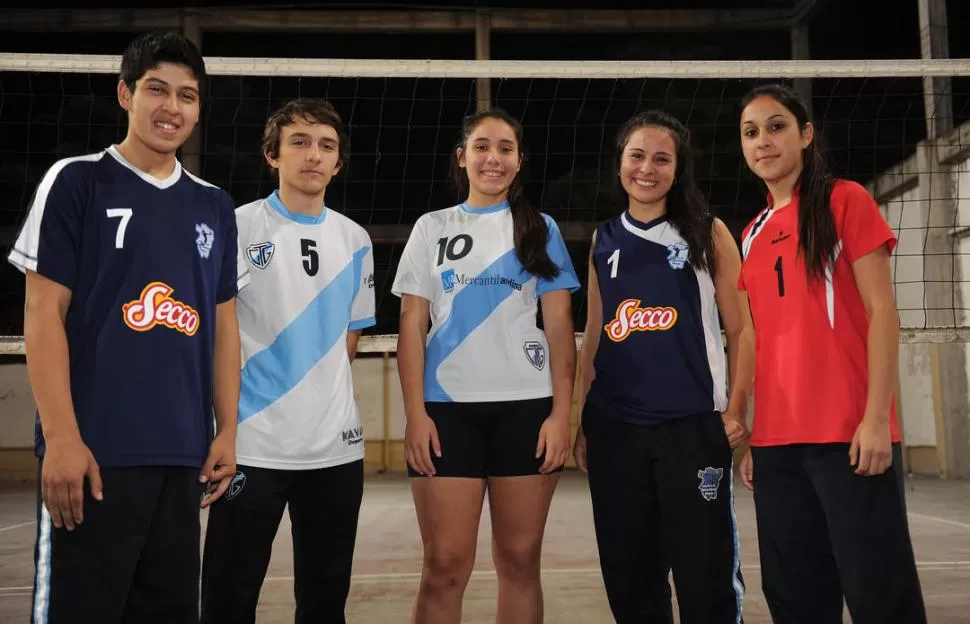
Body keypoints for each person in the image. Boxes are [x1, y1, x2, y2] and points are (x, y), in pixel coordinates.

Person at [7, 30, 242, 624]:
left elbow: (222, 324)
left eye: (187, 96)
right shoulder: (77, 181)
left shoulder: (213, 205)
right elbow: (41, 313)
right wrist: (61, 439)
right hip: (94, 455)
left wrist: (228, 429)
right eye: (156, 90)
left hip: (182, 457)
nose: (173, 108)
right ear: (124, 94)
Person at [736, 83, 926, 623]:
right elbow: (762, 341)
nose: (763, 141)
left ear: (805, 134)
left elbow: (882, 312)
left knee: (878, 593)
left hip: (847, 436)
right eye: (751, 133)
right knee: (796, 597)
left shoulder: (845, 200)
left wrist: (875, 419)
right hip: (777, 446)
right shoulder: (752, 233)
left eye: (776, 127)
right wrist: (755, 434)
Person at [391, 108, 580, 623]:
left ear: (519, 162)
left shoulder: (540, 229)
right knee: (445, 565)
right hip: (445, 412)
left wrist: (563, 415)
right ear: (462, 157)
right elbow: (412, 325)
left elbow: (561, 328)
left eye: (504, 149)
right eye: (481, 146)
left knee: (519, 560)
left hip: (526, 409)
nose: (492, 158)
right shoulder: (433, 228)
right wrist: (415, 415)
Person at [571, 110, 753, 624]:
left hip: (690, 429)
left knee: (706, 576)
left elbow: (741, 330)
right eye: (637, 156)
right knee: (630, 577)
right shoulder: (603, 240)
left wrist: (737, 407)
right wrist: (583, 420)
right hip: (616, 430)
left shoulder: (706, 232)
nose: (646, 168)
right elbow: (596, 337)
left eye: (661, 158)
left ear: (678, 168)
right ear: (619, 163)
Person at [200, 98, 374, 624]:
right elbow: (216, 337)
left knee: (325, 601)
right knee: (229, 598)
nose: (313, 155)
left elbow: (349, 340)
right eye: (299, 142)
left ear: (339, 162)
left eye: (326, 146)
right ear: (272, 155)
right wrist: (223, 428)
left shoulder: (355, 239)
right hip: (252, 444)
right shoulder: (236, 227)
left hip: (335, 451)